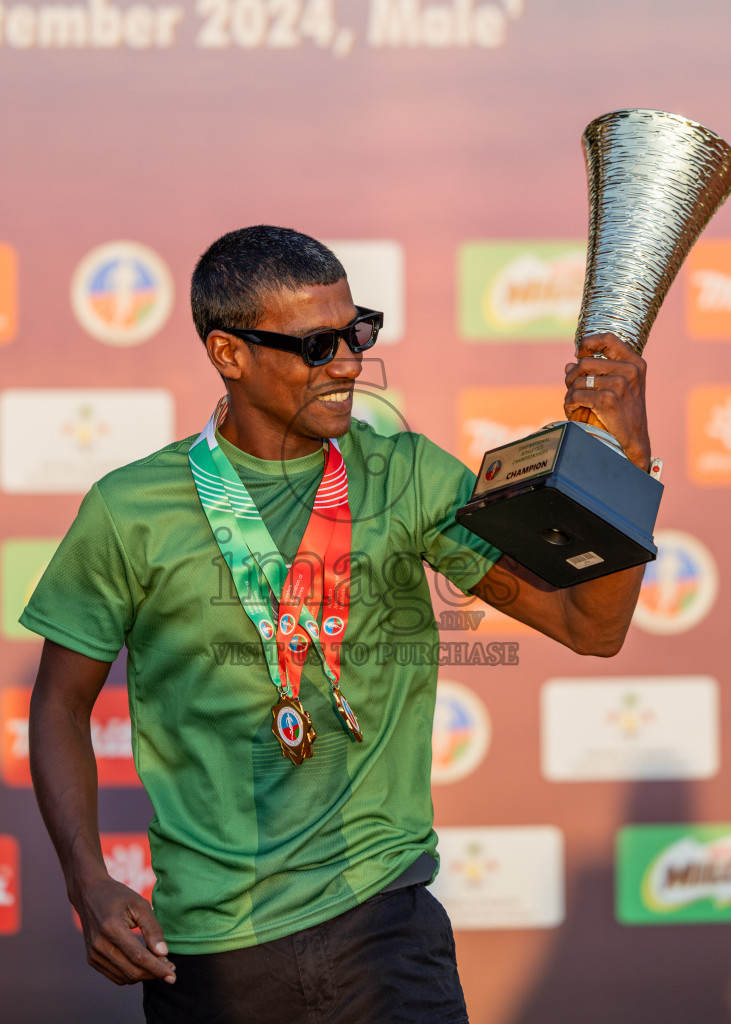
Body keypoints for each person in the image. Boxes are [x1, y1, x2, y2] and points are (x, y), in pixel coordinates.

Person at [23, 225, 654, 1024]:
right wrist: (87, 879)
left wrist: (625, 460)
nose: (350, 363)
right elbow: (59, 704)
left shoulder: (412, 476)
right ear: (228, 353)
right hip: (213, 952)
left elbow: (588, 625)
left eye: (356, 332)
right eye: (318, 344)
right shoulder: (129, 508)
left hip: (385, 930)